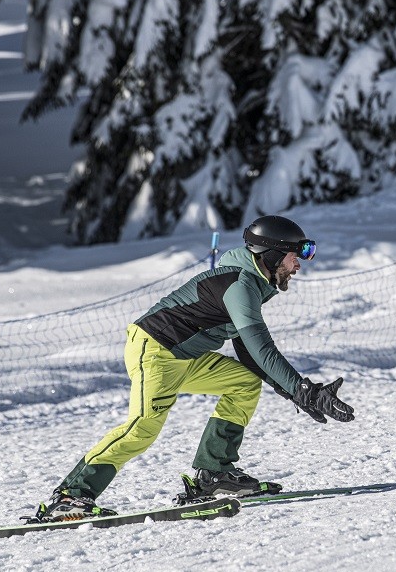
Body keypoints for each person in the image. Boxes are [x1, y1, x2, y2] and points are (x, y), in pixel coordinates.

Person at [37, 215, 356, 520]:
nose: (301, 262)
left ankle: (214, 473)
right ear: (271, 255)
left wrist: (296, 393)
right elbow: (261, 346)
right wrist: (303, 390)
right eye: (295, 254)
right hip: (155, 350)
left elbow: (250, 355)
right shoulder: (240, 286)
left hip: (185, 356)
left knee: (244, 383)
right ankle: (71, 495)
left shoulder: (251, 286)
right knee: (143, 429)